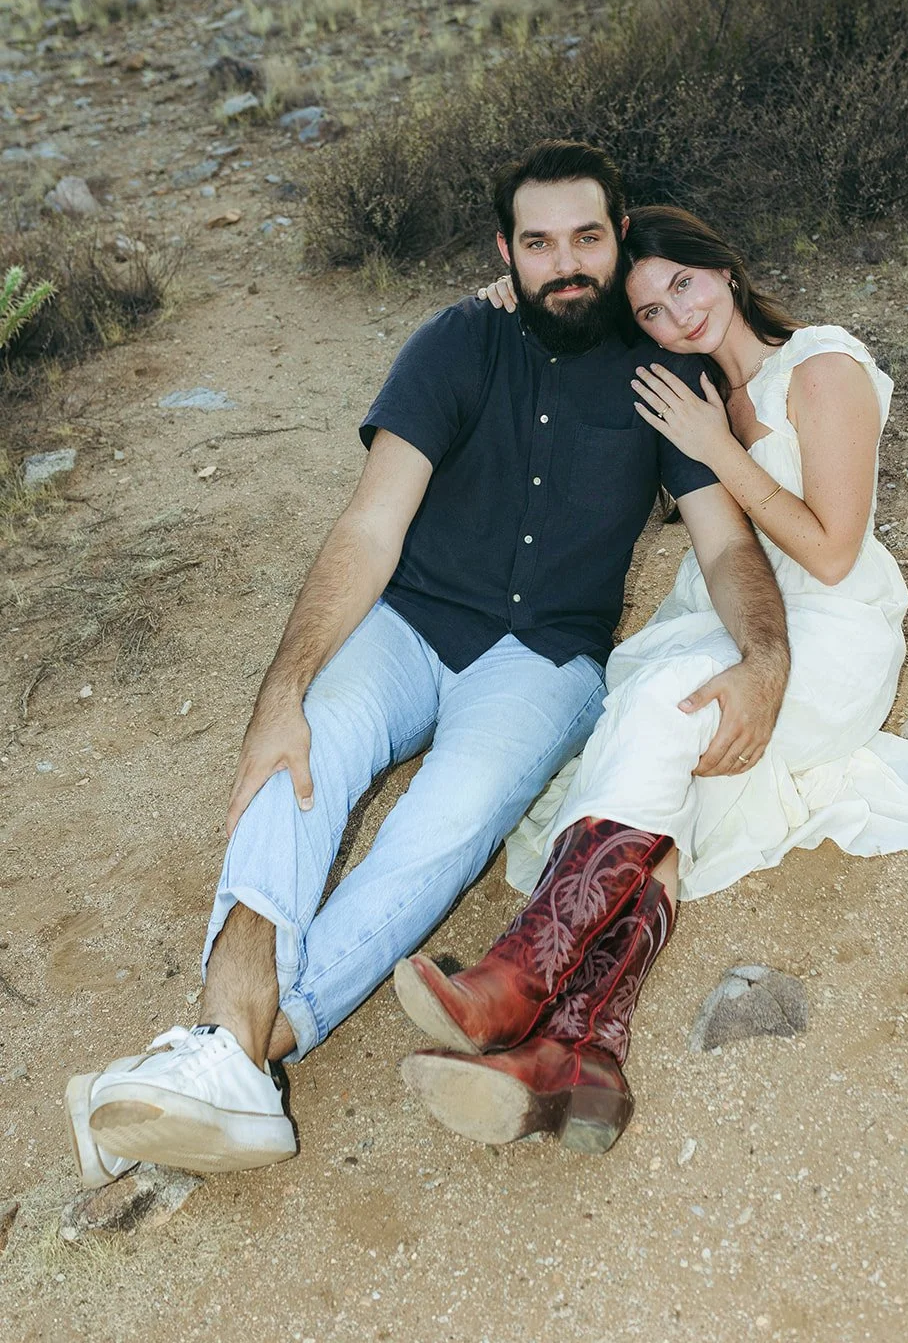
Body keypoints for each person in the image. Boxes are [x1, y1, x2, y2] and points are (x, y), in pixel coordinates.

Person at [64, 146, 791, 1187]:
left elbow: (724, 543)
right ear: (505, 251)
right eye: (537, 244)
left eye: (587, 238)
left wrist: (763, 654)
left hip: (541, 662)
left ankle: (230, 1061)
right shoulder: (456, 339)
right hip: (409, 624)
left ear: (619, 234)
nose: (565, 264)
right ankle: (229, 1049)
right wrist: (281, 692)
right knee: (298, 755)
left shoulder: (661, 374)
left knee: (438, 830)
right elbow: (369, 524)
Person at [396, 205, 908, 1154]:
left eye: (683, 286)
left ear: (724, 269)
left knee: (667, 713)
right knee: (663, 769)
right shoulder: (688, 386)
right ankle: (579, 1060)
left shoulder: (821, 368)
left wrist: (718, 450)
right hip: (724, 619)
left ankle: (519, 980)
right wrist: (504, 300)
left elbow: (829, 553)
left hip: (831, 635)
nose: (675, 316)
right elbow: (568, 333)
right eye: (650, 310)